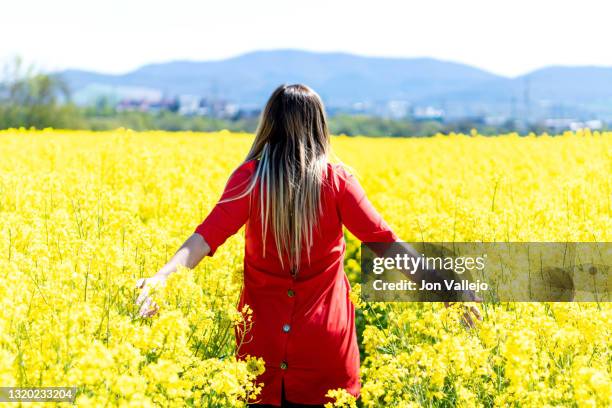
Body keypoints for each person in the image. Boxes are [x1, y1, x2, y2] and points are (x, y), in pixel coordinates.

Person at [135, 84, 481, 407]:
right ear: (319, 126)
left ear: (269, 124)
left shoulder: (250, 179)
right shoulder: (336, 181)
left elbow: (204, 238)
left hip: (260, 354)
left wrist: (161, 279)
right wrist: (448, 289)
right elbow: (386, 244)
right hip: (326, 354)